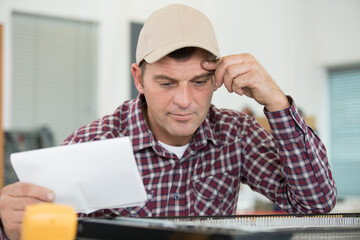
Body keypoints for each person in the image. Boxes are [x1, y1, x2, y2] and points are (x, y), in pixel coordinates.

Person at [0, 4, 336, 240]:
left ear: (217, 78)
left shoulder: (237, 135)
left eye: (199, 82)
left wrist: (276, 102)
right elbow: (38, 229)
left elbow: (316, 204)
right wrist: (9, 225)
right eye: (166, 83)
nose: (185, 101)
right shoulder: (93, 142)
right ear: (139, 78)